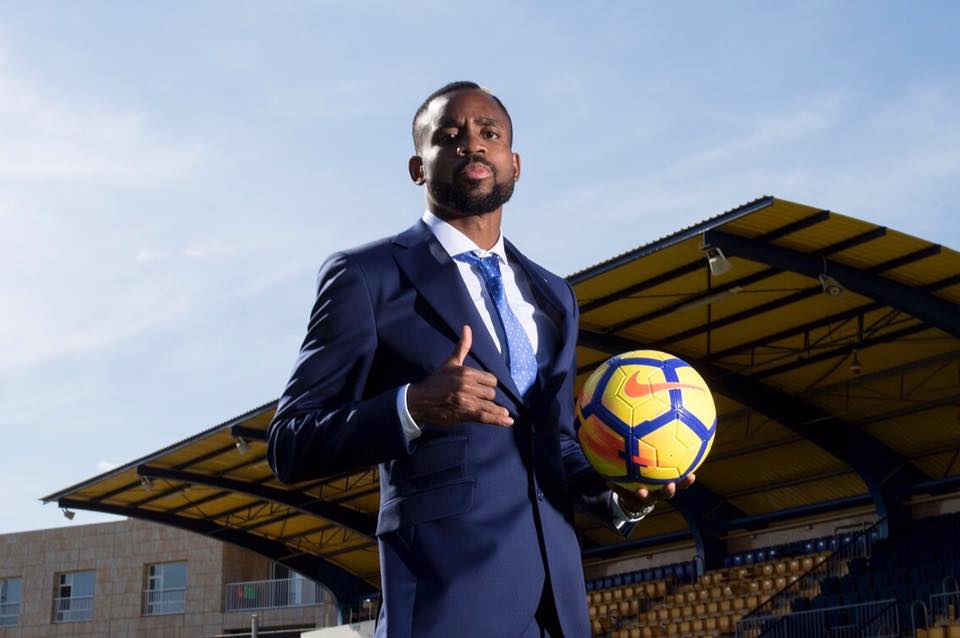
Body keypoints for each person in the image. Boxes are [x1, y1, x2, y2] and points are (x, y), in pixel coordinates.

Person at [267, 81, 693, 638]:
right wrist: (412, 407)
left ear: (514, 164)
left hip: (557, 610)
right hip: (446, 605)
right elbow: (290, 443)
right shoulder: (367, 277)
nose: (472, 144)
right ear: (417, 168)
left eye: (489, 133)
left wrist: (620, 494)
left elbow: (559, 445)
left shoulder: (554, 296)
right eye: (449, 135)